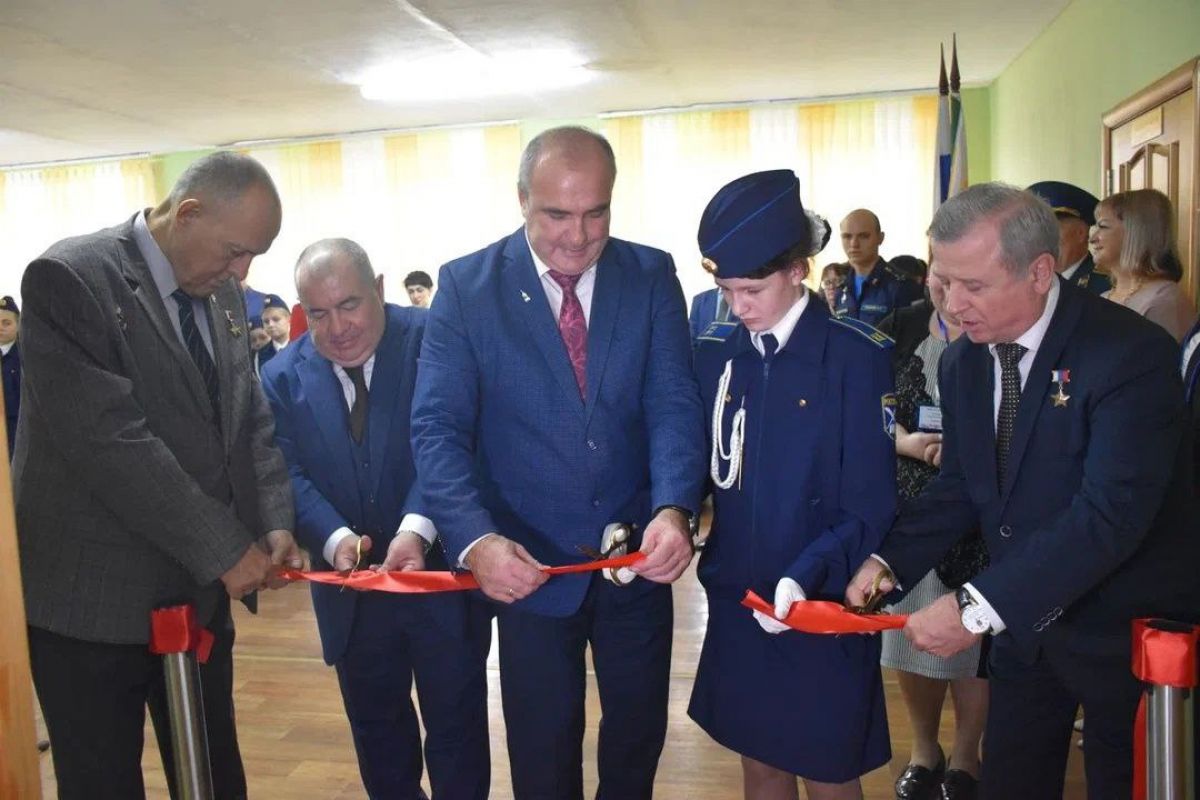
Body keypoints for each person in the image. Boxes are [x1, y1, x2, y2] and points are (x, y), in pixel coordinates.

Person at [846, 182, 1200, 800]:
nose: (953, 305)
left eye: (973, 285)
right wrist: (888, 562)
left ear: (1039, 272)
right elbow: (963, 484)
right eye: (943, 281)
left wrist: (974, 608)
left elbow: (1109, 515)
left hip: (1122, 632)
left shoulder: (1128, 352)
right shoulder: (963, 362)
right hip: (1024, 632)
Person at [411, 125, 705, 799]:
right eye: (557, 214)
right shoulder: (466, 287)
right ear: (521, 199)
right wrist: (475, 540)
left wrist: (674, 506)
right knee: (542, 751)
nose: (578, 236)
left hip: (637, 556)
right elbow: (437, 428)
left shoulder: (650, 274)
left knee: (636, 740)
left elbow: (672, 401)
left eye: (596, 213)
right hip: (527, 563)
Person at [16, 151, 303, 800]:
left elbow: (248, 416)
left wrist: (273, 521)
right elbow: (113, 444)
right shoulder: (71, 278)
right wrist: (226, 548)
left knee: (213, 779)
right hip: (91, 604)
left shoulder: (220, 291)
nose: (243, 273)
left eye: (254, 256)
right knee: (102, 783)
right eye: (235, 251)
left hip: (195, 596)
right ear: (188, 212)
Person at [689, 169, 896, 800]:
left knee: (828, 768)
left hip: (821, 595)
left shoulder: (856, 356)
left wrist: (806, 574)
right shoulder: (717, 352)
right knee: (760, 762)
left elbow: (871, 501)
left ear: (798, 270)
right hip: (740, 594)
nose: (738, 307)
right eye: (725, 290)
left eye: (752, 289)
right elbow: (703, 467)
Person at [261, 239, 491, 799]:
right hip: (352, 598)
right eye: (319, 313)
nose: (338, 327)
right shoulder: (281, 376)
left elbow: (455, 438)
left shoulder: (435, 337)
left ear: (380, 289)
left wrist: (416, 528)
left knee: (458, 736)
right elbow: (286, 472)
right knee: (380, 744)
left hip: (442, 583)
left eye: (350, 305)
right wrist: (335, 537)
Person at [877, 280, 987, 800]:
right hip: (910, 514)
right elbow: (868, 412)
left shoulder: (998, 326)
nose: (948, 289)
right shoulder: (899, 328)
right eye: (939, 275)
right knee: (910, 635)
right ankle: (924, 750)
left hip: (983, 515)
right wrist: (908, 444)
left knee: (976, 636)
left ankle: (966, 755)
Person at [1093, 188, 1196, 341]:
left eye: (1103, 226)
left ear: (1135, 232)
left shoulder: (1163, 300)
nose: (1093, 238)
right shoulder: (1104, 296)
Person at [834, 209, 922, 324]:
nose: (854, 244)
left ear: (880, 238)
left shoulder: (901, 286)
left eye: (863, 236)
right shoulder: (841, 289)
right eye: (847, 236)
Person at [1026, 181, 1111, 294]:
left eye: (1051, 227)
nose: (1042, 237)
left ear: (1081, 233)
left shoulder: (1107, 286)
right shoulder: (1027, 280)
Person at [0, 295, 21, 457]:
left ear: (18, 325)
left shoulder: (26, 359)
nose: (0, 327)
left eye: (6, 323)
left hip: (16, 435)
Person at [254, 292, 291, 374]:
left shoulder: (302, 347)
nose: (270, 325)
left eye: (276, 319)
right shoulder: (260, 355)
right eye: (266, 321)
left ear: (289, 319)